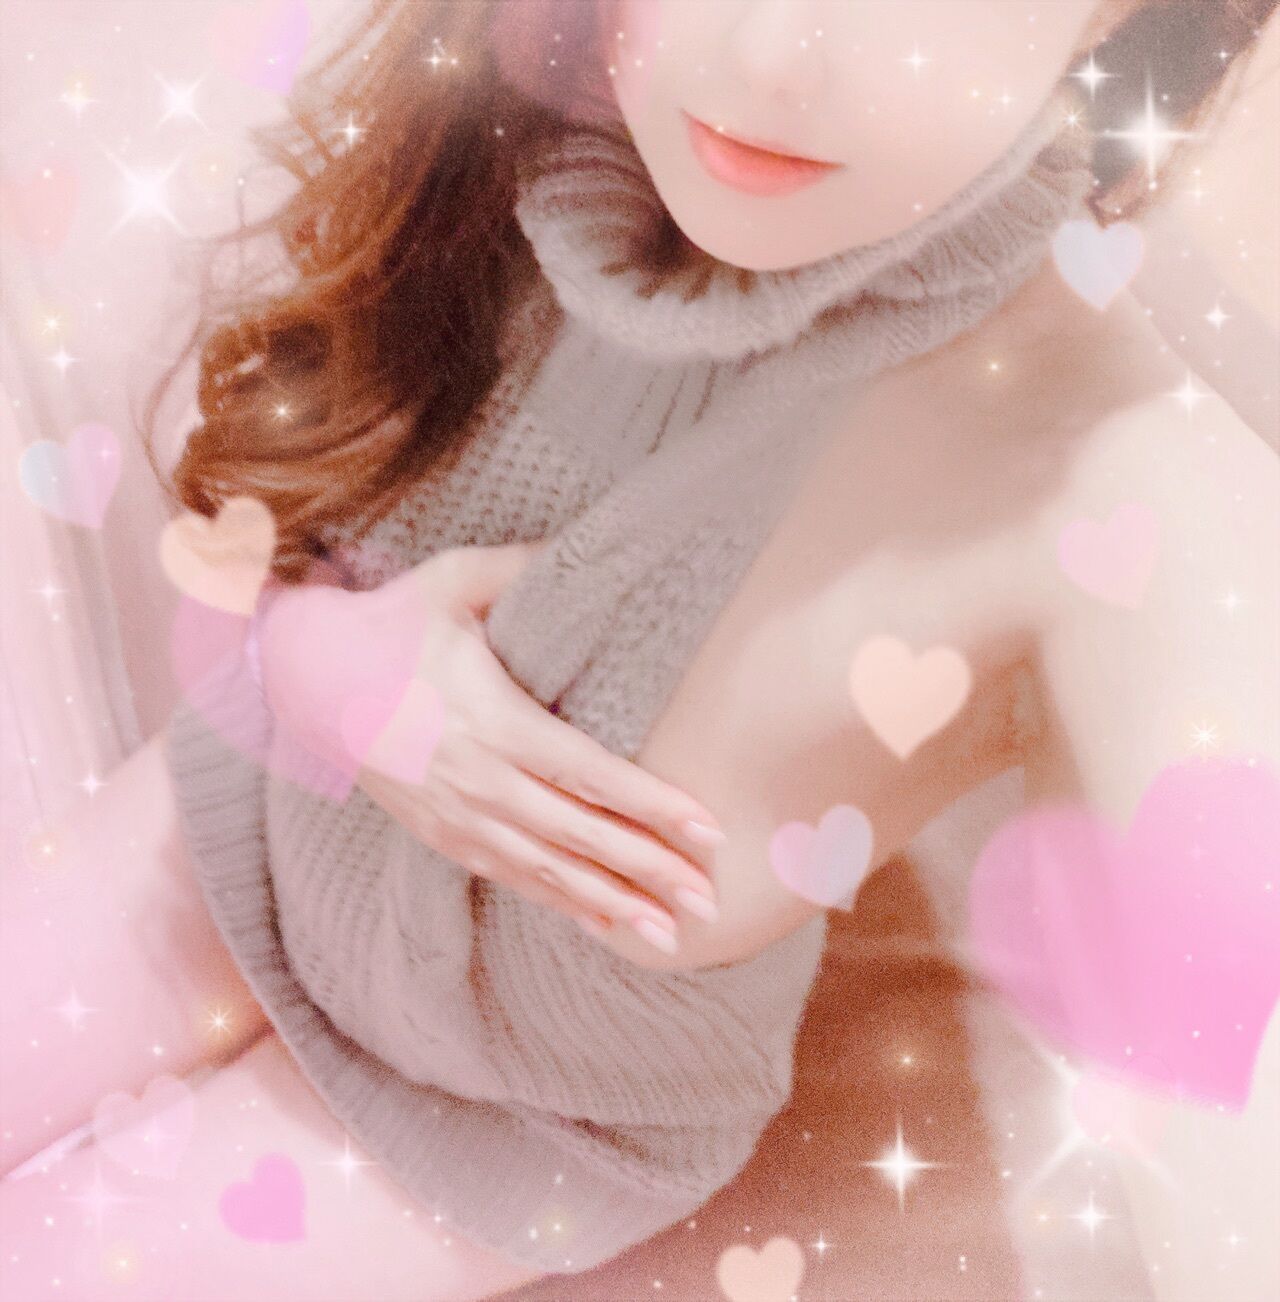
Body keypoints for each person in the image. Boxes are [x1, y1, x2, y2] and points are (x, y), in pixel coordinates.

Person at [3, 2, 1276, 1300]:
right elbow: (306, 492)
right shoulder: (553, 104)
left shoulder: (1117, 495)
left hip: (495, 1129)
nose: (770, 57)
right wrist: (321, 661)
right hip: (254, 807)